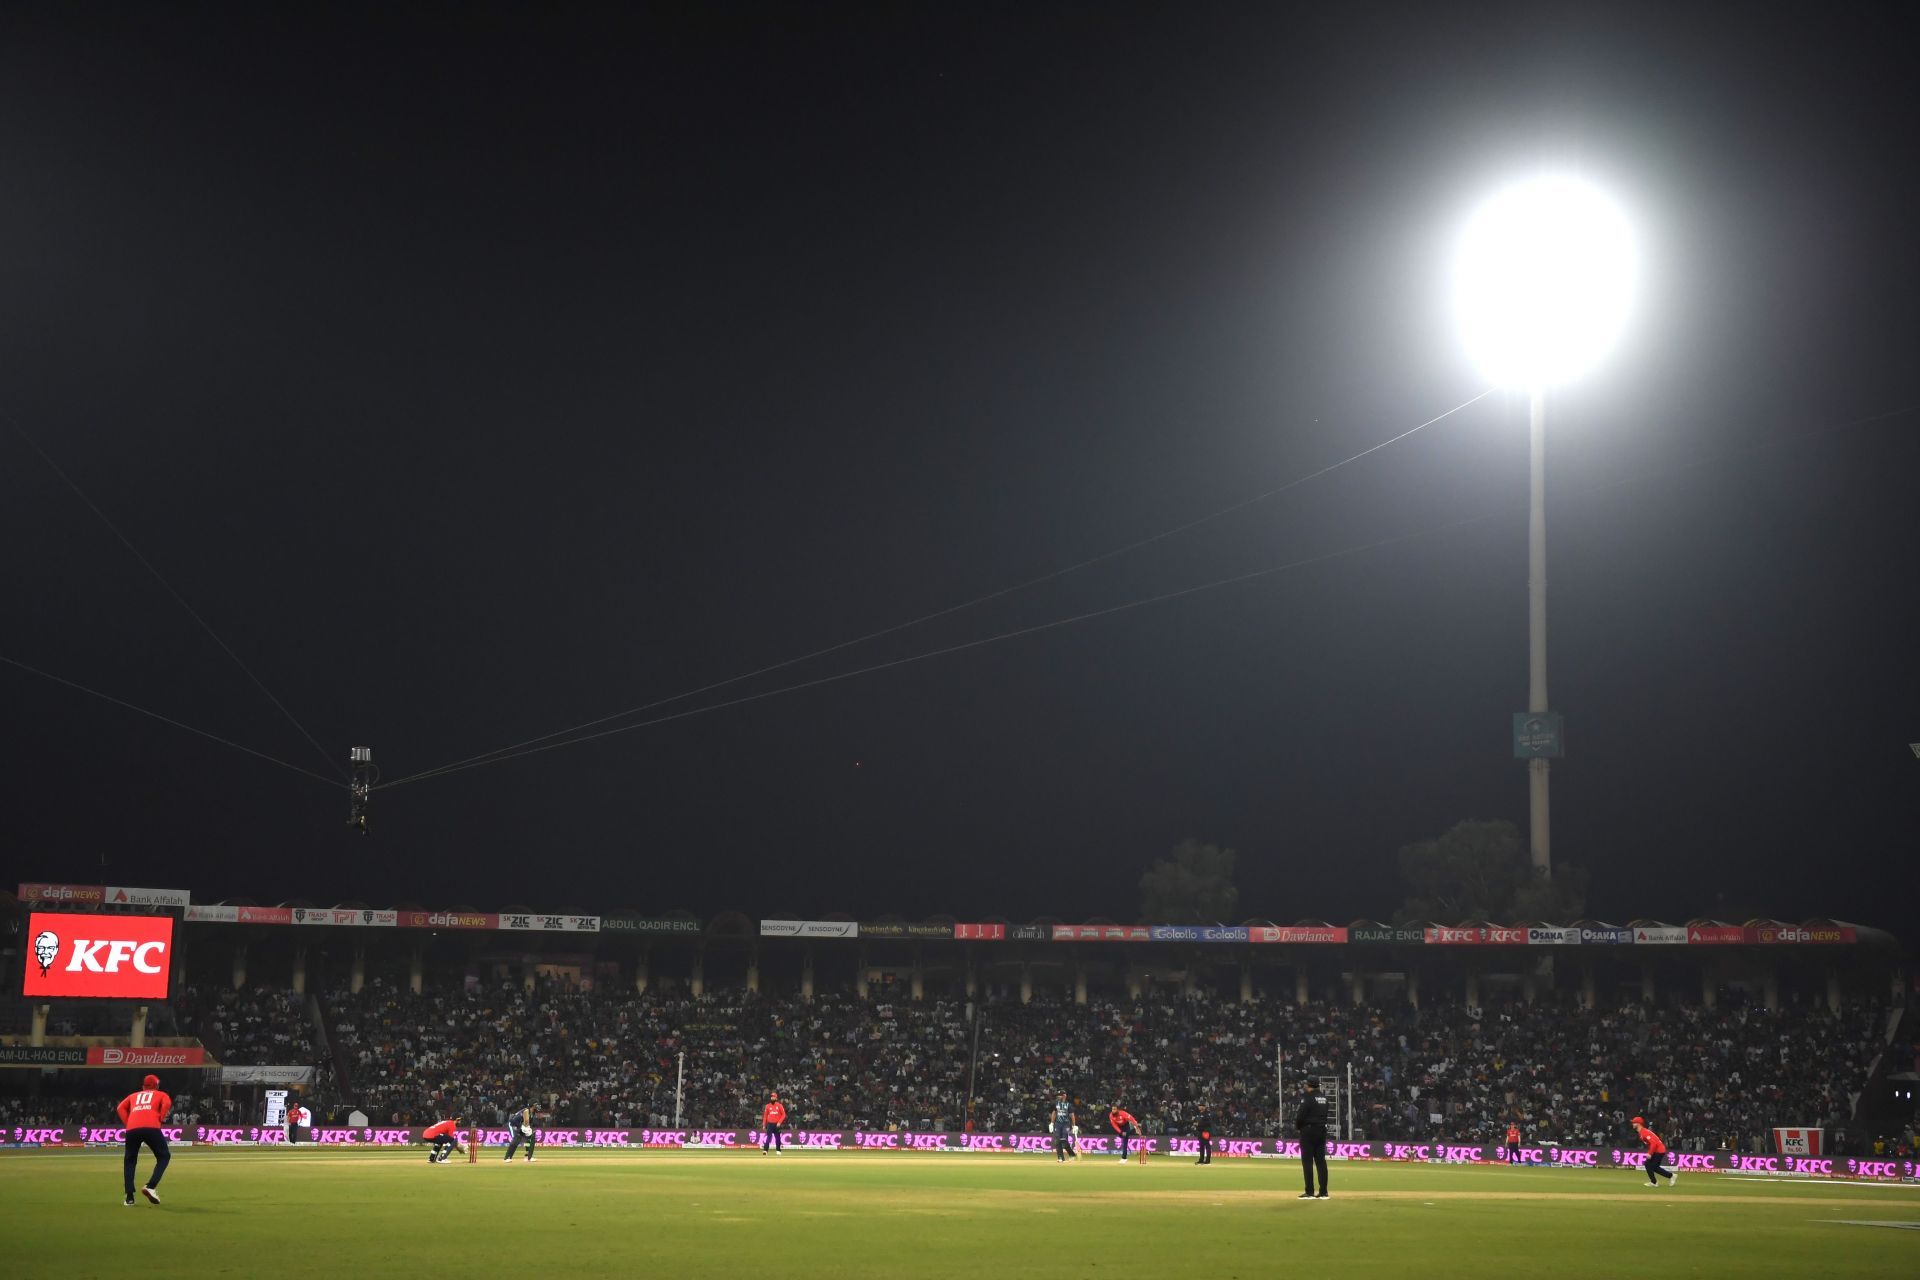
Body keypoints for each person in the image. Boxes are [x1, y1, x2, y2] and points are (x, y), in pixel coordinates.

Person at [116, 1074, 172, 1206]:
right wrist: (161, 1118)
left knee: (130, 1160)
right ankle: (151, 1186)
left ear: (143, 1086)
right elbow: (167, 1103)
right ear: (157, 1086)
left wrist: (128, 1123)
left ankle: (129, 1198)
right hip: (151, 1127)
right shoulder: (161, 1094)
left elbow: (120, 1108)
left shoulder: (133, 1096)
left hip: (132, 1129)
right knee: (164, 1156)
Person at [1295, 1081, 1329, 1199]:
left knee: (1307, 1162)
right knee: (1321, 1162)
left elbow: (1300, 1116)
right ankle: (1324, 1192)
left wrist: (1299, 1128)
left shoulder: (1308, 1098)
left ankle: (1309, 1192)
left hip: (1308, 1131)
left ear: (1308, 1086)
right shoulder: (1324, 1098)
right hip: (1321, 1131)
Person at [1632, 1116, 1676, 1188]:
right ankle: (1670, 1176)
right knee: (1653, 1167)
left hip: (1659, 1150)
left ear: (1638, 1124)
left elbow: (1654, 1143)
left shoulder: (1644, 1132)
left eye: (1634, 1123)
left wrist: (1650, 1153)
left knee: (1649, 1165)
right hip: (1658, 1150)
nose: (1633, 1124)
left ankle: (1655, 1182)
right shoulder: (1642, 1132)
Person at [1050, 1092, 1076, 1164]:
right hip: (1058, 1124)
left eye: (1060, 1095)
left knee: (1064, 1141)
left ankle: (1072, 1154)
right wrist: (1051, 1123)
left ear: (1064, 1096)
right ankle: (1061, 1158)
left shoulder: (1069, 1105)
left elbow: (1072, 1115)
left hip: (1066, 1124)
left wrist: (1074, 1126)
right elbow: (1054, 1113)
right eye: (1058, 1095)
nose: (1058, 1097)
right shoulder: (1056, 1104)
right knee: (1057, 1140)